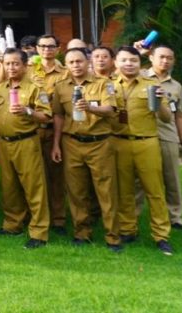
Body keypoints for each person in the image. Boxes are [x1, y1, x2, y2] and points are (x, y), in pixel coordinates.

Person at [50, 47, 121, 251]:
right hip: (71, 142)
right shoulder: (61, 87)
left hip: (99, 143)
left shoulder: (103, 84)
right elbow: (58, 116)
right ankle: (82, 233)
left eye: (79, 61)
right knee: (76, 191)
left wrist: (89, 108)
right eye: (71, 62)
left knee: (106, 191)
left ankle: (112, 236)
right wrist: (56, 144)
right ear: (66, 65)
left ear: (87, 62)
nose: (76, 65)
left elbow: (110, 110)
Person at [112, 46, 174, 255]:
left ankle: (161, 235)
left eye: (133, 60)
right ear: (116, 62)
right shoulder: (109, 85)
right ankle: (128, 229)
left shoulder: (152, 85)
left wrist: (159, 102)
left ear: (140, 64)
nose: (129, 64)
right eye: (124, 60)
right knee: (124, 190)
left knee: (154, 190)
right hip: (119, 142)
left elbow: (166, 118)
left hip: (146, 142)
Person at [0, 48, 51, 248]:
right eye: (7, 63)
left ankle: (39, 232)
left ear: (25, 66)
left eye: (15, 63)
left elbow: (46, 117)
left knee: (34, 188)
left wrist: (27, 111)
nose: (11, 67)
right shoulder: (1, 88)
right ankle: (12, 225)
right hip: (4, 143)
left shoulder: (35, 88)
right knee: (9, 187)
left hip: (26, 142)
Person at [142, 45, 182, 230]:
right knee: (139, 179)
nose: (165, 61)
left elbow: (179, 115)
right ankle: (134, 214)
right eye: (161, 57)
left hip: (167, 135)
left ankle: (175, 217)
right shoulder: (140, 77)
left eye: (169, 58)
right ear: (151, 58)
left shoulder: (176, 86)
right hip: (142, 133)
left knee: (172, 178)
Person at [29, 34, 67, 234]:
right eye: (42, 46)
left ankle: (59, 219)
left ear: (58, 49)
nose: (46, 50)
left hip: (54, 130)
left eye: (51, 46)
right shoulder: (28, 70)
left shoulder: (65, 72)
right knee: (34, 177)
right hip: (32, 130)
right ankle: (37, 217)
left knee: (56, 178)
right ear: (36, 48)